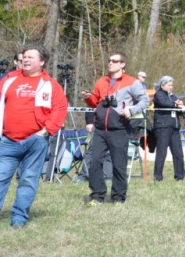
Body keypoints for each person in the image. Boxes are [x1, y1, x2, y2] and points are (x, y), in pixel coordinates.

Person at [0, 44, 68, 228]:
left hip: (35, 141)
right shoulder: (9, 79)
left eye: (31, 57)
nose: (26, 59)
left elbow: (60, 109)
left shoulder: (50, 85)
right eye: (24, 57)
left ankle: (18, 218)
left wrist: (44, 132)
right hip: (8, 140)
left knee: (28, 180)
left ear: (42, 61)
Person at [81, 51, 149, 206]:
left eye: (114, 61)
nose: (110, 63)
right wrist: (88, 98)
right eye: (109, 60)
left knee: (118, 164)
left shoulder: (132, 82)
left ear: (122, 64)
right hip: (100, 129)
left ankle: (118, 197)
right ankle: (97, 195)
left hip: (119, 128)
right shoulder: (101, 81)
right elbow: (94, 102)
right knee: (94, 162)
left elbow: (145, 100)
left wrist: (131, 110)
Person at [153, 76, 185, 181]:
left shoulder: (173, 96)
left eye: (172, 85)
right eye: (168, 85)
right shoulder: (158, 94)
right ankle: (158, 177)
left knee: (178, 153)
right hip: (163, 127)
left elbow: (176, 108)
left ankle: (180, 176)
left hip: (174, 127)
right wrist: (177, 105)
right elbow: (165, 104)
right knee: (162, 152)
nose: (171, 87)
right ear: (162, 85)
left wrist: (182, 109)